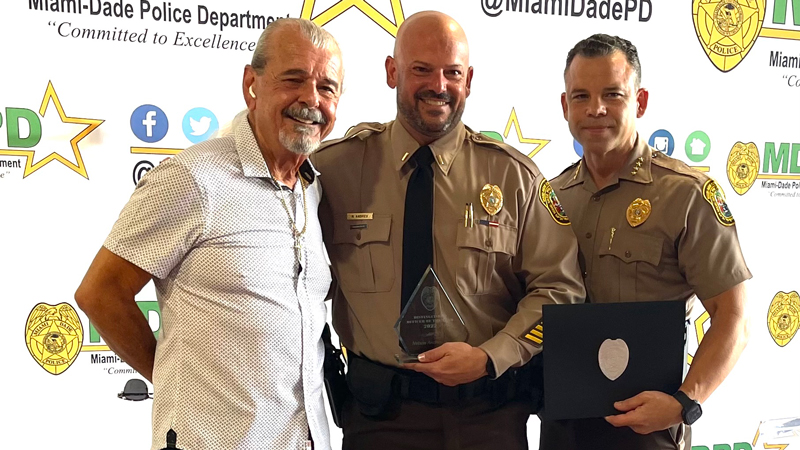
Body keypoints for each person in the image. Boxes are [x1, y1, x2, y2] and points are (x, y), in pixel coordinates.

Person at [311, 11, 586, 450]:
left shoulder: (514, 177)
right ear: (392, 71)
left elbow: (561, 291)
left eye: (452, 72)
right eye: (421, 69)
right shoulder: (334, 169)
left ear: (469, 79)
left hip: (487, 416)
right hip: (379, 419)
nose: (438, 85)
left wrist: (490, 356)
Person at [74, 18, 344, 450]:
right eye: (293, 79)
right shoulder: (194, 178)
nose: (311, 99)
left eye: (327, 87)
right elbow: (100, 293)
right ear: (251, 84)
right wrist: (170, 376)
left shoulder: (314, 189)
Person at [542, 34, 751, 450]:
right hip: (562, 426)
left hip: (648, 430)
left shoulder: (685, 195)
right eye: (580, 95)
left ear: (639, 102)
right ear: (565, 106)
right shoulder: (551, 197)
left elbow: (734, 318)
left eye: (612, 95)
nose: (595, 109)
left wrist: (684, 404)